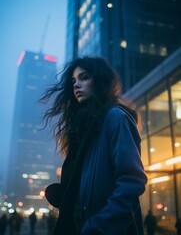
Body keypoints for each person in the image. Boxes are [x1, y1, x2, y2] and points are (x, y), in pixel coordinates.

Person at [41, 56, 147, 235]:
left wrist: (99, 227)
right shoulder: (83, 130)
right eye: (73, 81)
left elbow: (132, 181)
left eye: (84, 77)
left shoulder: (115, 118)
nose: (76, 85)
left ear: (99, 81)